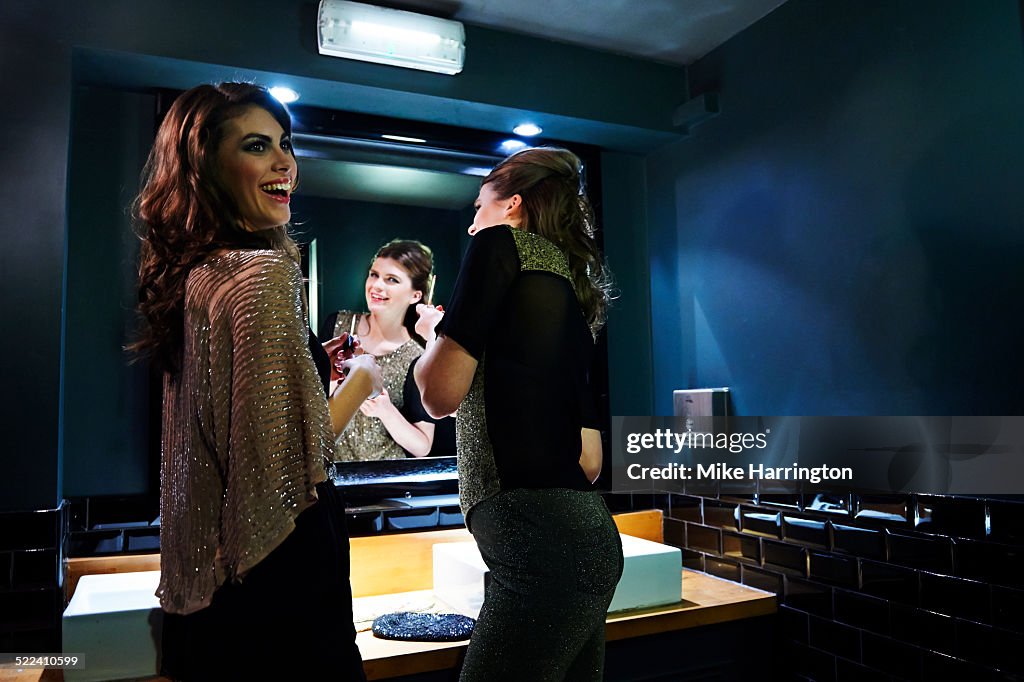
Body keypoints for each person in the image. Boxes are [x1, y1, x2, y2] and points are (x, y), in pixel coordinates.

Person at [130, 82, 381, 681]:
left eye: (285, 145)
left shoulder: (198, 277)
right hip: (282, 580)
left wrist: (298, 362)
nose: (283, 163)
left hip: (215, 595)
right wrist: (362, 378)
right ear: (205, 167)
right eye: (256, 146)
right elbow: (293, 459)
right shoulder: (261, 275)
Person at [414, 146, 623, 681]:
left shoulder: (497, 244)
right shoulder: (573, 293)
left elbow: (439, 397)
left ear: (511, 206)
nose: (471, 227)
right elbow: (591, 460)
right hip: (590, 537)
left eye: (478, 208)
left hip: (540, 547)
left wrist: (434, 339)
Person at [323, 239, 442, 460]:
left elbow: (423, 446)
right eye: (374, 274)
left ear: (415, 295)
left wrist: (385, 410)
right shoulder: (337, 326)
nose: (376, 286)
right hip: (330, 475)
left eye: (392, 280)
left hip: (384, 479)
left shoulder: (417, 356)